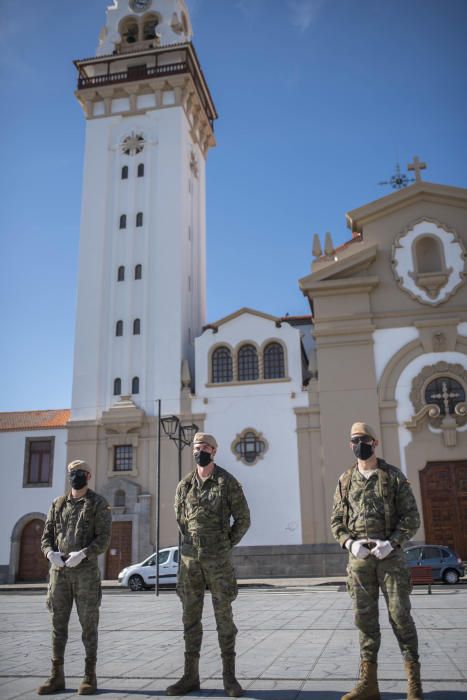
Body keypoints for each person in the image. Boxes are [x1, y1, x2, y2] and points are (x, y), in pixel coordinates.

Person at [331, 422, 423, 700]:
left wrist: (392, 542)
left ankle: (414, 685)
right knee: (365, 620)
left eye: (365, 440)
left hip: (390, 558)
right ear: (351, 445)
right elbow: (336, 521)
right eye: (355, 440)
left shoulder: (393, 476)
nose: (360, 444)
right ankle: (368, 684)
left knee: (400, 616)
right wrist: (350, 543)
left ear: (375, 443)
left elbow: (411, 518)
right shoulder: (345, 480)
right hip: (359, 561)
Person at [167, 432, 251, 698]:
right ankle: (190, 676)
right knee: (190, 619)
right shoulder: (184, 485)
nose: (199, 451)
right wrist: (194, 545)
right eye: (195, 447)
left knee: (224, 619)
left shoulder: (227, 482)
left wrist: (225, 544)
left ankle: (230, 678)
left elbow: (243, 519)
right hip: (190, 562)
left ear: (214, 451)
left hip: (218, 562)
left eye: (204, 447)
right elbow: (181, 520)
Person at [38, 460, 112, 696]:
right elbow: (46, 535)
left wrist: (84, 553)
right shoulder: (58, 504)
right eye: (71, 473)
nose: (75, 477)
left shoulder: (98, 503)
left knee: (88, 626)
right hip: (59, 574)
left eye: (79, 473)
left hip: (86, 574)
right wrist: (50, 553)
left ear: (88, 476)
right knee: (57, 626)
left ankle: (90, 676)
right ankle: (56, 676)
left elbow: (103, 538)